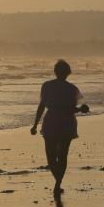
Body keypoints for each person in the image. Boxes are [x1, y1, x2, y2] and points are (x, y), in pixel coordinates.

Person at [31, 59, 89, 194]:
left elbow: (42, 106)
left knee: (51, 156)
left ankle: (57, 180)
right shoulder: (72, 89)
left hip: (51, 121)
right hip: (67, 123)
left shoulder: (47, 86)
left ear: (55, 72)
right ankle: (58, 183)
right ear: (68, 73)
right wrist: (81, 109)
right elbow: (71, 109)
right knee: (63, 155)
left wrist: (35, 125)